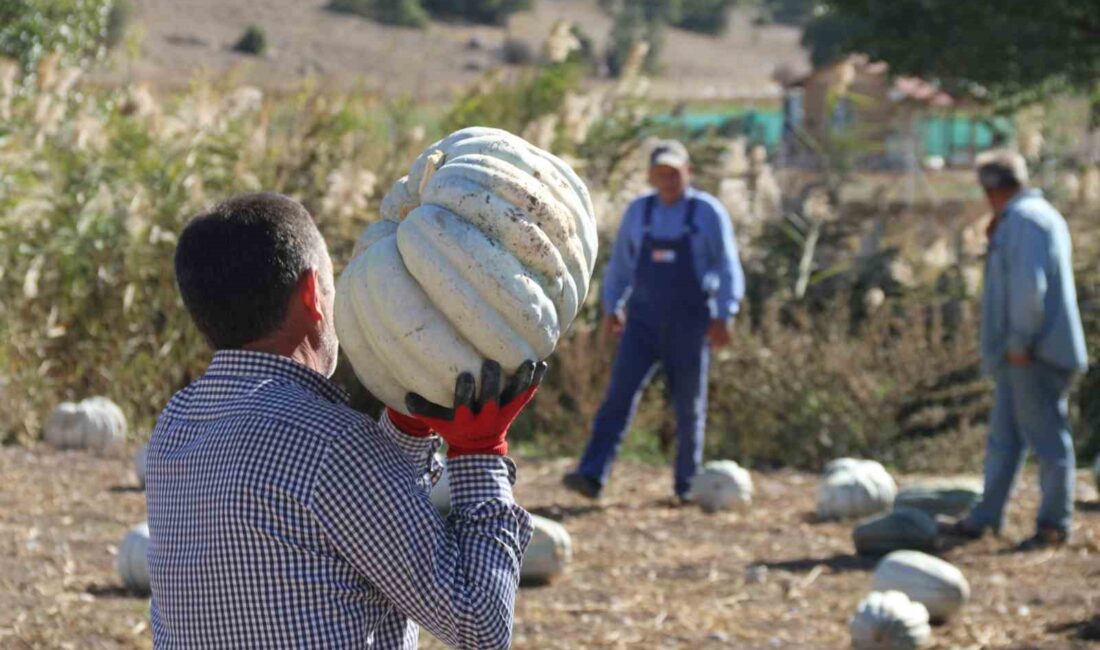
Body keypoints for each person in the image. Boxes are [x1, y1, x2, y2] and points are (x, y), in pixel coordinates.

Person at [147, 192, 544, 649]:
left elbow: (339, 527)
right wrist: (481, 454)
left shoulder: (176, 425)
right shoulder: (332, 446)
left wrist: (409, 427)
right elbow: (481, 626)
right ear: (313, 294)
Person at [562, 140, 745, 502]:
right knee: (618, 399)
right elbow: (620, 267)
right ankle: (592, 474)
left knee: (689, 407)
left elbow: (727, 265)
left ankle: (687, 485)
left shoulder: (707, 213)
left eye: (674, 172)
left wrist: (726, 314)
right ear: (650, 175)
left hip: (691, 325)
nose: (668, 179)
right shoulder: (638, 213)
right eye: (660, 173)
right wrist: (612, 306)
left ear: (687, 172)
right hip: (642, 324)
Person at [943, 150, 1087, 550]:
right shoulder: (1027, 218)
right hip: (1019, 354)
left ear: (991, 190)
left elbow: (1029, 290)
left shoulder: (1026, 221)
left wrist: (1021, 343)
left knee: (1048, 440)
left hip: (1034, 354)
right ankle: (986, 517)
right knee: (1004, 439)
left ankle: (1054, 525)